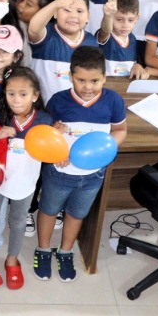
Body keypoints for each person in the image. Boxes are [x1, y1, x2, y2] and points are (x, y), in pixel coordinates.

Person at [35, 46, 125, 282]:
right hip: (60, 172)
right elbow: (45, 132)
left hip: (93, 177)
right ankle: (43, 249)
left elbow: (120, 129)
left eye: (95, 80)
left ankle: (65, 251)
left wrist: (107, 150)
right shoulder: (59, 101)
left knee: (77, 214)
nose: (88, 87)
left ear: (105, 77)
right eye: (81, 80)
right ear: (70, 76)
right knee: (48, 210)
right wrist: (54, 138)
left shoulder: (113, 101)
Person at [0, 66, 50, 290]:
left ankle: (12, 258)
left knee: (18, 222)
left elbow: (51, 149)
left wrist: (59, 135)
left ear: (35, 95)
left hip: (26, 183)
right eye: (11, 94)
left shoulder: (44, 119)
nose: (16, 100)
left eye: (23, 94)